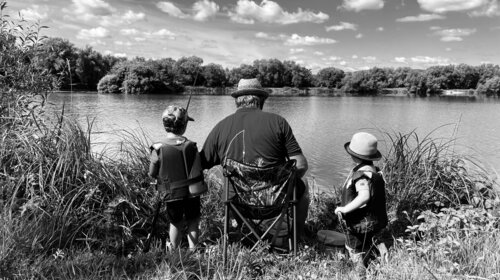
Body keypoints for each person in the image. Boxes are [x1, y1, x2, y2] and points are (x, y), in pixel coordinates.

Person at [200, 78, 310, 239]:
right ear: (261, 100)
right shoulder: (278, 122)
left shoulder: (221, 126)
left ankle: (235, 233)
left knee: (227, 183)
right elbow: (301, 165)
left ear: (237, 101)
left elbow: (201, 163)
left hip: (236, 204)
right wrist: (279, 183)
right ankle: (298, 235)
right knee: (304, 185)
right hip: (275, 204)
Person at [148, 105, 205, 251]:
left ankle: (174, 250)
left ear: (165, 125)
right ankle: (194, 249)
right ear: (184, 125)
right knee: (193, 220)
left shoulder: (158, 148)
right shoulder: (191, 146)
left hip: (172, 194)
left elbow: (152, 172)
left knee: (175, 222)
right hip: (192, 193)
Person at [334, 132, 388, 269]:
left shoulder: (360, 175)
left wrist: (344, 209)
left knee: (354, 247)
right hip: (373, 220)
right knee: (369, 242)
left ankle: (360, 272)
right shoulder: (374, 170)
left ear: (353, 155)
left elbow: (364, 196)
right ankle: (381, 260)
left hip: (359, 224)